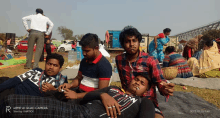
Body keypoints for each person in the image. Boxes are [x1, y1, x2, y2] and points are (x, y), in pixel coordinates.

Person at [1, 72, 155, 118]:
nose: (137, 83)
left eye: (142, 83)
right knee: (11, 102)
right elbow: (89, 95)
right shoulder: (113, 89)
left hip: (84, 115)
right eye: (136, 79)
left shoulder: (143, 102)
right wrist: (103, 95)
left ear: (146, 91)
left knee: (14, 106)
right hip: (78, 112)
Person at [116, 26, 175, 118]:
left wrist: (164, 88)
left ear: (139, 42)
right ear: (123, 44)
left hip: (148, 101)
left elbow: (160, 82)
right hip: (127, 99)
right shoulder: (119, 59)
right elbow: (123, 83)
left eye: (134, 41)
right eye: (127, 41)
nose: (131, 44)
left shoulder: (150, 60)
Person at [0, 53, 68, 101]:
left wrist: (53, 90)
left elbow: (64, 97)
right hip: (13, 92)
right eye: (49, 64)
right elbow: (17, 79)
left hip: (26, 102)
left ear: (60, 68)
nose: (51, 67)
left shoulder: (62, 80)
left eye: (55, 65)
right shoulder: (36, 71)